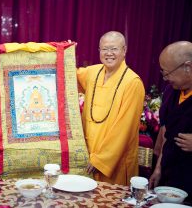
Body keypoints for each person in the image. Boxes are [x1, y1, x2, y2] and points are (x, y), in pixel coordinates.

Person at [77, 31, 145, 186]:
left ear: (124, 50)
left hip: (113, 162)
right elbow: (66, 75)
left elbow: (124, 128)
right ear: (99, 50)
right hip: (87, 155)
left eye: (114, 49)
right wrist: (61, 52)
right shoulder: (92, 72)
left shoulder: (132, 82)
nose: (109, 54)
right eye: (104, 49)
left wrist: (101, 159)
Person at [149, 41, 192, 202]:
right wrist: (159, 168)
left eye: (168, 73)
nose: (165, 78)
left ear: (188, 66)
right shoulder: (171, 91)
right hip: (170, 177)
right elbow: (167, 134)